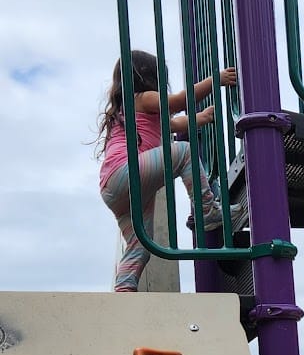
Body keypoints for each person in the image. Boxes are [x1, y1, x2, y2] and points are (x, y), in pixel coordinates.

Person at [97, 51, 243, 293]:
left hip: (115, 189)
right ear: (148, 77)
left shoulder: (131, 111)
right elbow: (177, 102)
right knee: (184, 152)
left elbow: (174, 123)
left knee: (139, 246)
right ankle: (207, 210)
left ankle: (124, 294)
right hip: (125, 173)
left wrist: (202, 117)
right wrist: (215, 80)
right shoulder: (141, 98)